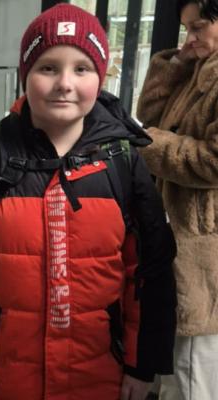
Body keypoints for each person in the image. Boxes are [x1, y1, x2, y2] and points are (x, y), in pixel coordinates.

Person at [0, 4, 177, 400]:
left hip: (98, 371)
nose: (64, 83)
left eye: (81, 69)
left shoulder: (123, 162)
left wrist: (142, 363)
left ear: (100, 78)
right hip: (8, 372)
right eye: (48, 67)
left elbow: (150, 270)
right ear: (26, 75)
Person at [136, 1, 218, 399]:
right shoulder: (198, 69)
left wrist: (149, 143)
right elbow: (150, 114)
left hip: (205, 249)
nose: (190, 38)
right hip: (177, 235)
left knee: (191, 372)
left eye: (198, 27)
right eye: (186, 28)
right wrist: (175, 65)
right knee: (172, 367)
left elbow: (214, 161)